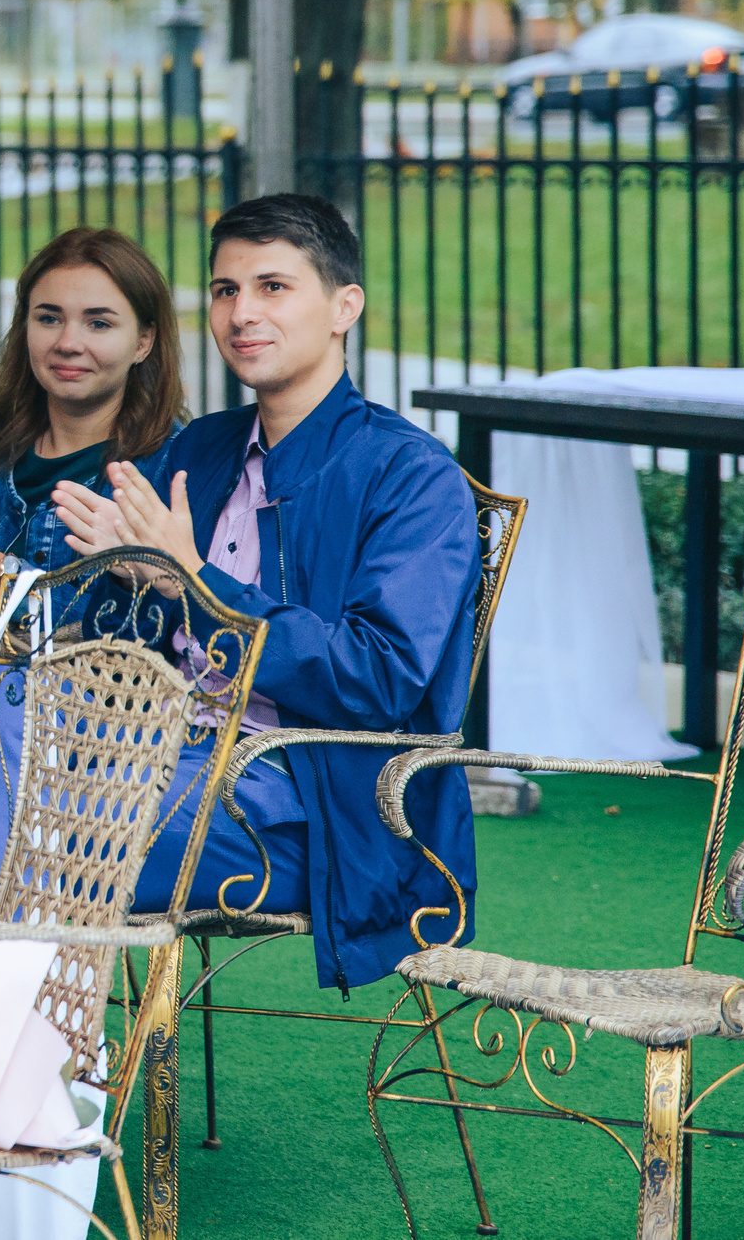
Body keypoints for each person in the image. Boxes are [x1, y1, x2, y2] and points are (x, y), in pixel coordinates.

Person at [80, 193, 481, 986]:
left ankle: (18, 1056)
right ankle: (10, 1055)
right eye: (225, 290)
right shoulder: (203, 447)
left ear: (344, 308)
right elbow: (130, 630)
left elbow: (378, 675)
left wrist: (194, 582)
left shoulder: (412, 475)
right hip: (165, 752)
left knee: (60, 828)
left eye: (273, 287)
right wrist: (134, 576)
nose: (241, 314)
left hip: (319, 808)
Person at [0, 228, 183, 912]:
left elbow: (136, 636)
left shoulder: (167, 463)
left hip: (74, 717)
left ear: (144, 341)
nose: (68, 342)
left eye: (99, 323)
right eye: (48, 317)